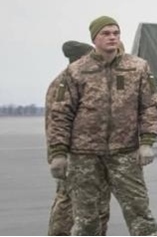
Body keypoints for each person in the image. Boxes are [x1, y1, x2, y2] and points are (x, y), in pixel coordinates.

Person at [46, 16, 157, 236]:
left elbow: (150, 106)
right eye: (106, 33)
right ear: (94, 38)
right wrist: (58, 153)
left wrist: (147, 142)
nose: (112, 37)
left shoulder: (137, 67)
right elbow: (60, 114)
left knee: (140, 215)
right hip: (84, 156)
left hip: (124, 153)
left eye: (116, 33)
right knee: (87, 220)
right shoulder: (76, 71)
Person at [46, 41, 111, 236]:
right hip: (74, 155)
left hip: (89, 155)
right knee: (68, 203)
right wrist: (60, 155)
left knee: (95, 203)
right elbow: (58, 122)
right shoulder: (66, 83)